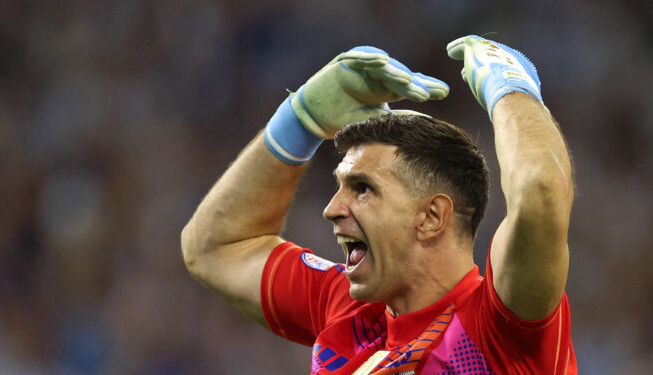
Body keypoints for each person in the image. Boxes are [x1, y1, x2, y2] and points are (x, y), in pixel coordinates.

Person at [181, 35, 576, 374]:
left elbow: (541, 192)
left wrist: (512, 90)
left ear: (432, 216)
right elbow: (214, 248)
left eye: (363, 188)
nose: (332, 208)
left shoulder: (501, 328)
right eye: (341, 186)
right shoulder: (349, 311)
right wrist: (299, 121)